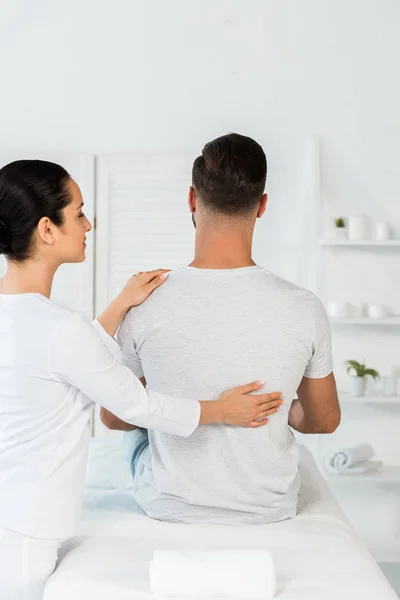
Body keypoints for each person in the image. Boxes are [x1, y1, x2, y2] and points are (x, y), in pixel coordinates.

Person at [0, 159, 282, 600]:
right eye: (78, 213)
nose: (88, 223)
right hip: (23, 530)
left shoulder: (27, 319)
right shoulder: (59, 329)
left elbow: (65, 359)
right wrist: (221, 409)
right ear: (47, 230)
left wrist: (119, 305)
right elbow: (137, 406)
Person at [101, 133, 341, 525]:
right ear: (262, 206)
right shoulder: (304, 307)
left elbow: (114, 416)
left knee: (138, 427)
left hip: (168, 504)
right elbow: (325, 420)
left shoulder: (144, 300)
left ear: (193, 199)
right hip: (267, 508)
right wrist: (279, 414)